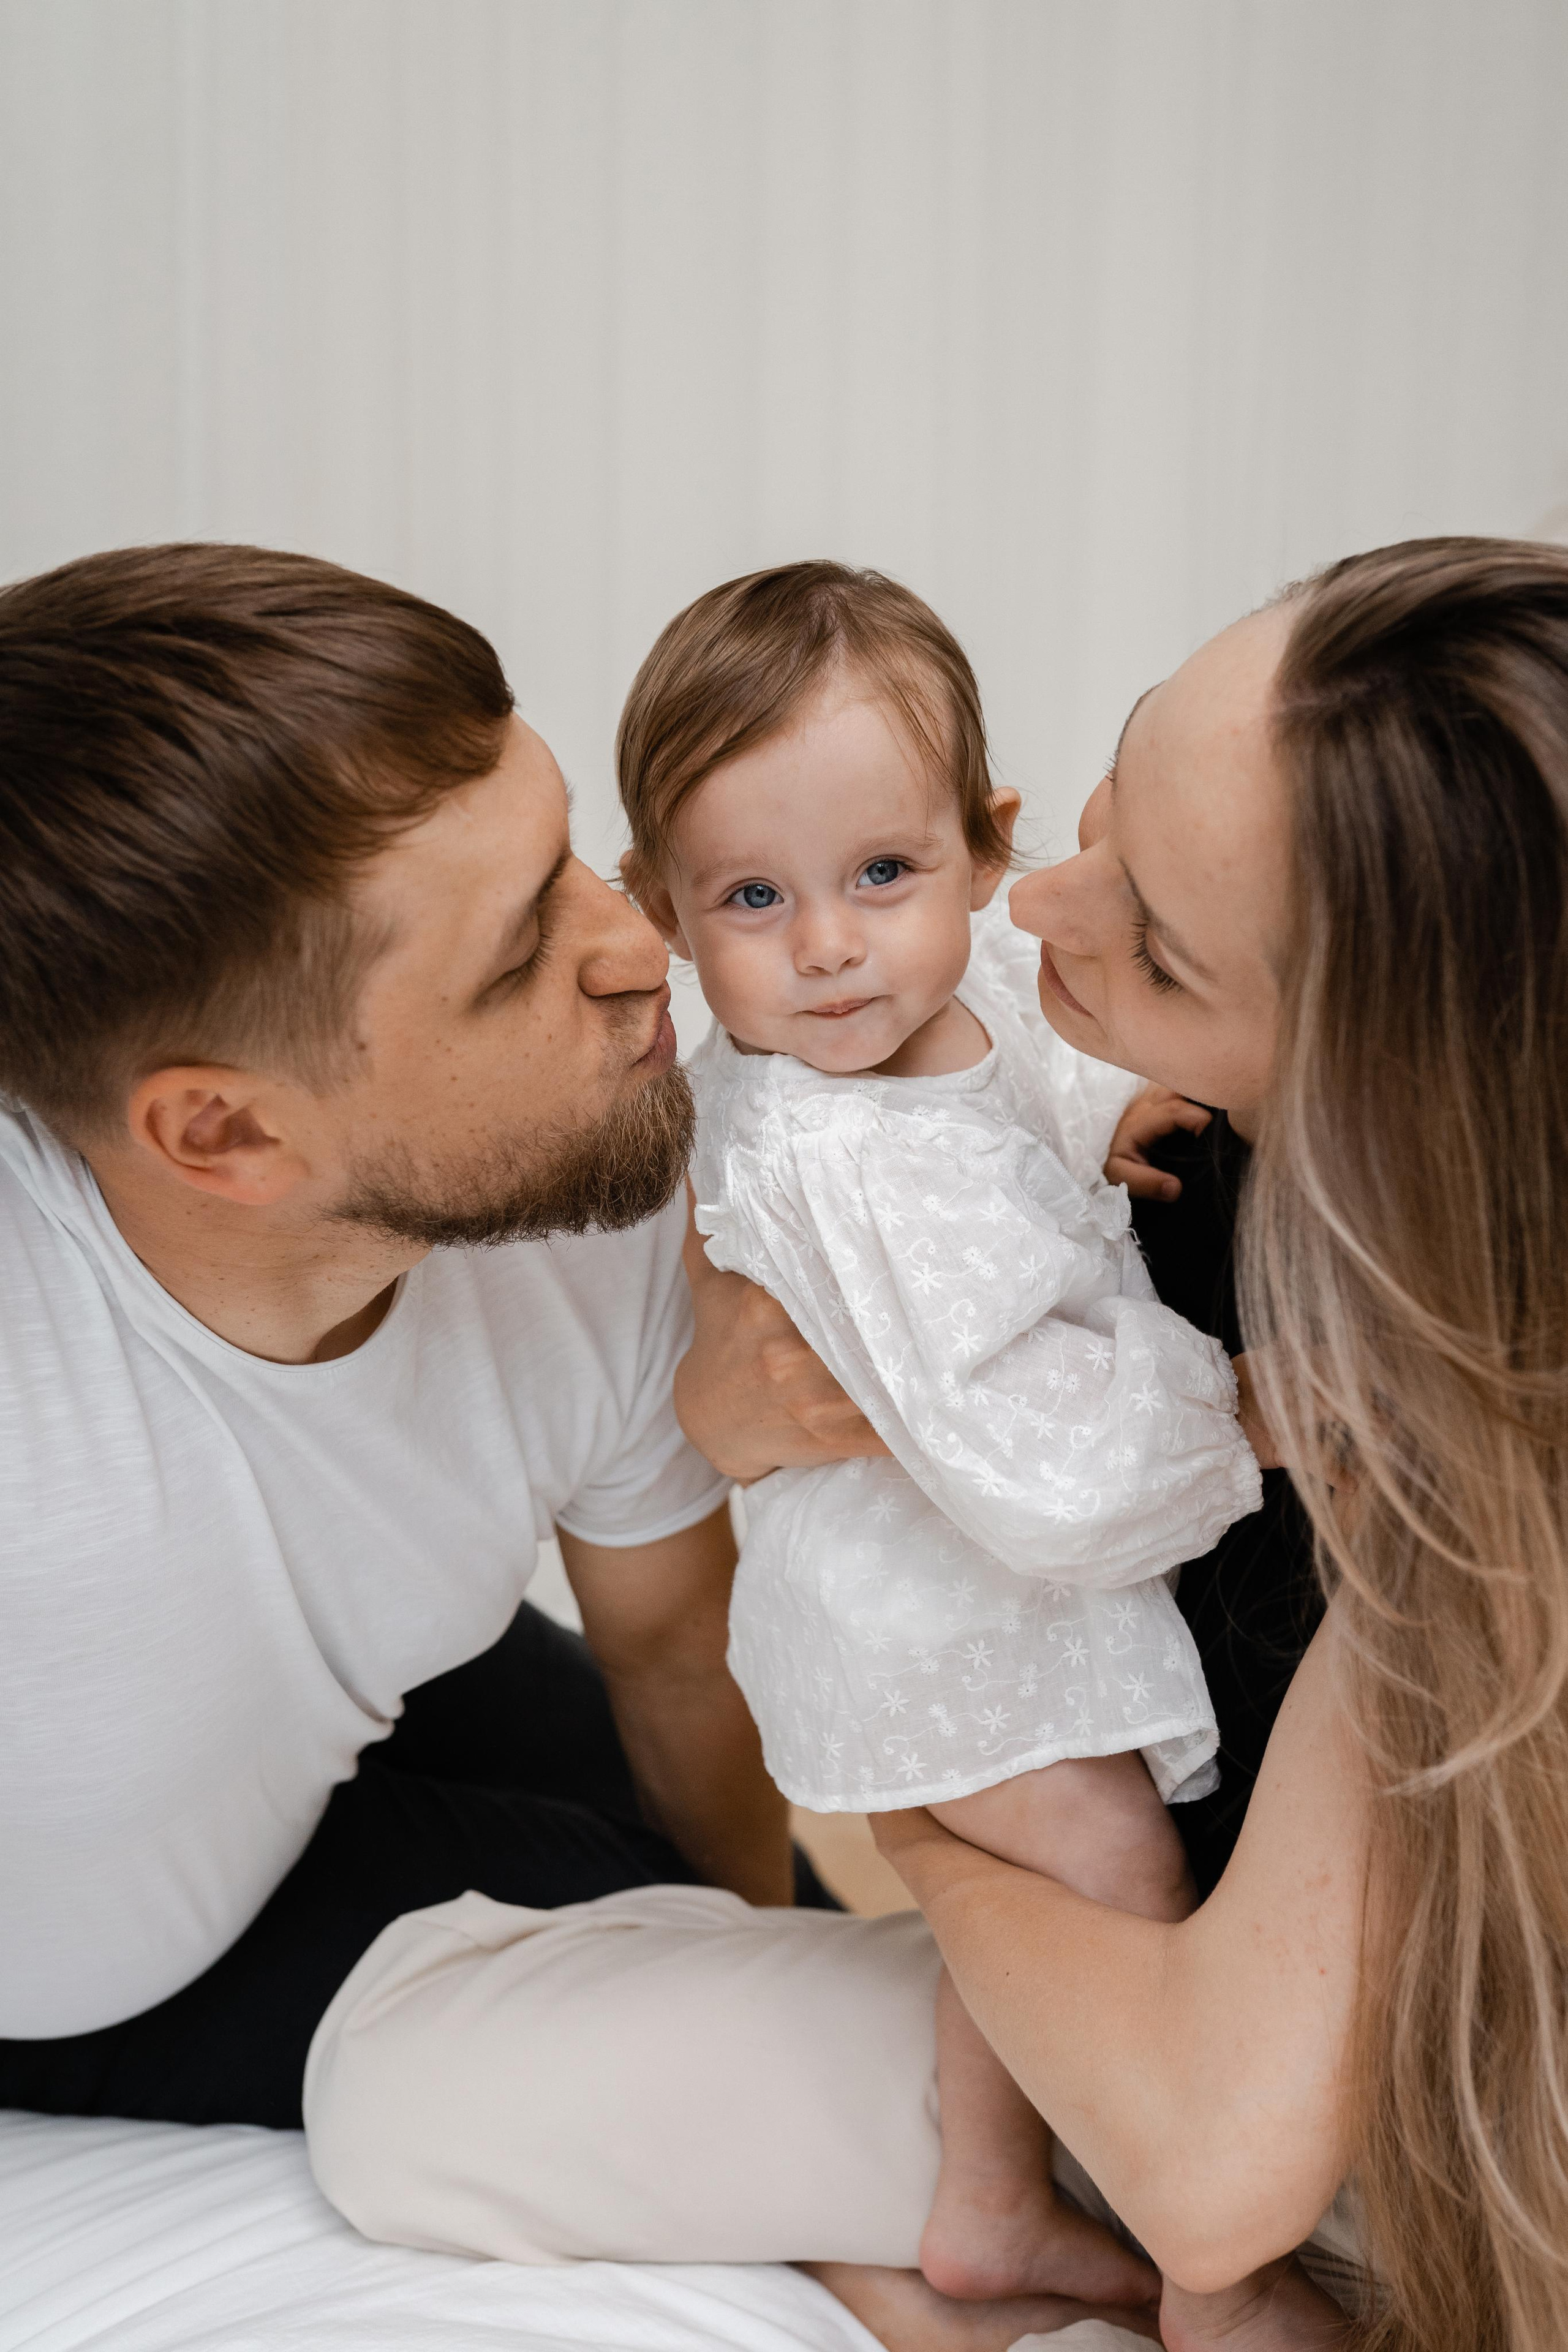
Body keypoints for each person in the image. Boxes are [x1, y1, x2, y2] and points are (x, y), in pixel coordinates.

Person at [307, 540, 1568, 2352]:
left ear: (1374, 1071)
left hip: (1259, 2056)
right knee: (402, 2062)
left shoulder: (1432, 1406)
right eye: (1116, 793)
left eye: (1157, 940)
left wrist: (914, 1815)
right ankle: (964, 2234)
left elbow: (1219, 2153)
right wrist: (729, 1411)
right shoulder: (1117, 1121)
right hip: (1125, 1936)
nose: (1039, 900)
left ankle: (1010, 2259)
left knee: (428, 2060)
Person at [0, 541, 830, 2131]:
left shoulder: (589, 1167)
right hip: (97, 1976)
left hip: (357, 1674)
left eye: (568, 850)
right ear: (228, 1134)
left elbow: (673, 1646)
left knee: (829, 1981)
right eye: (519, 959)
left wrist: (771, 2016)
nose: (638, 948)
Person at [615, 561, 1262, 2313]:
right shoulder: (829, 1150)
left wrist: (1111, 1103)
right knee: (1114, 1868)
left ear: (984, 847)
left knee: (1072, 1879)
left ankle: (991, 2196)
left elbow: (1024, 1048)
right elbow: (1031, 1462)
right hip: (933, 1606)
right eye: (753, 897)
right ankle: (1105, 2218)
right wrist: (1244, 1413)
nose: (829, 945)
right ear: (664, 913)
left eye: (882, 874)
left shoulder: (959, 972)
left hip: (982, 1580)